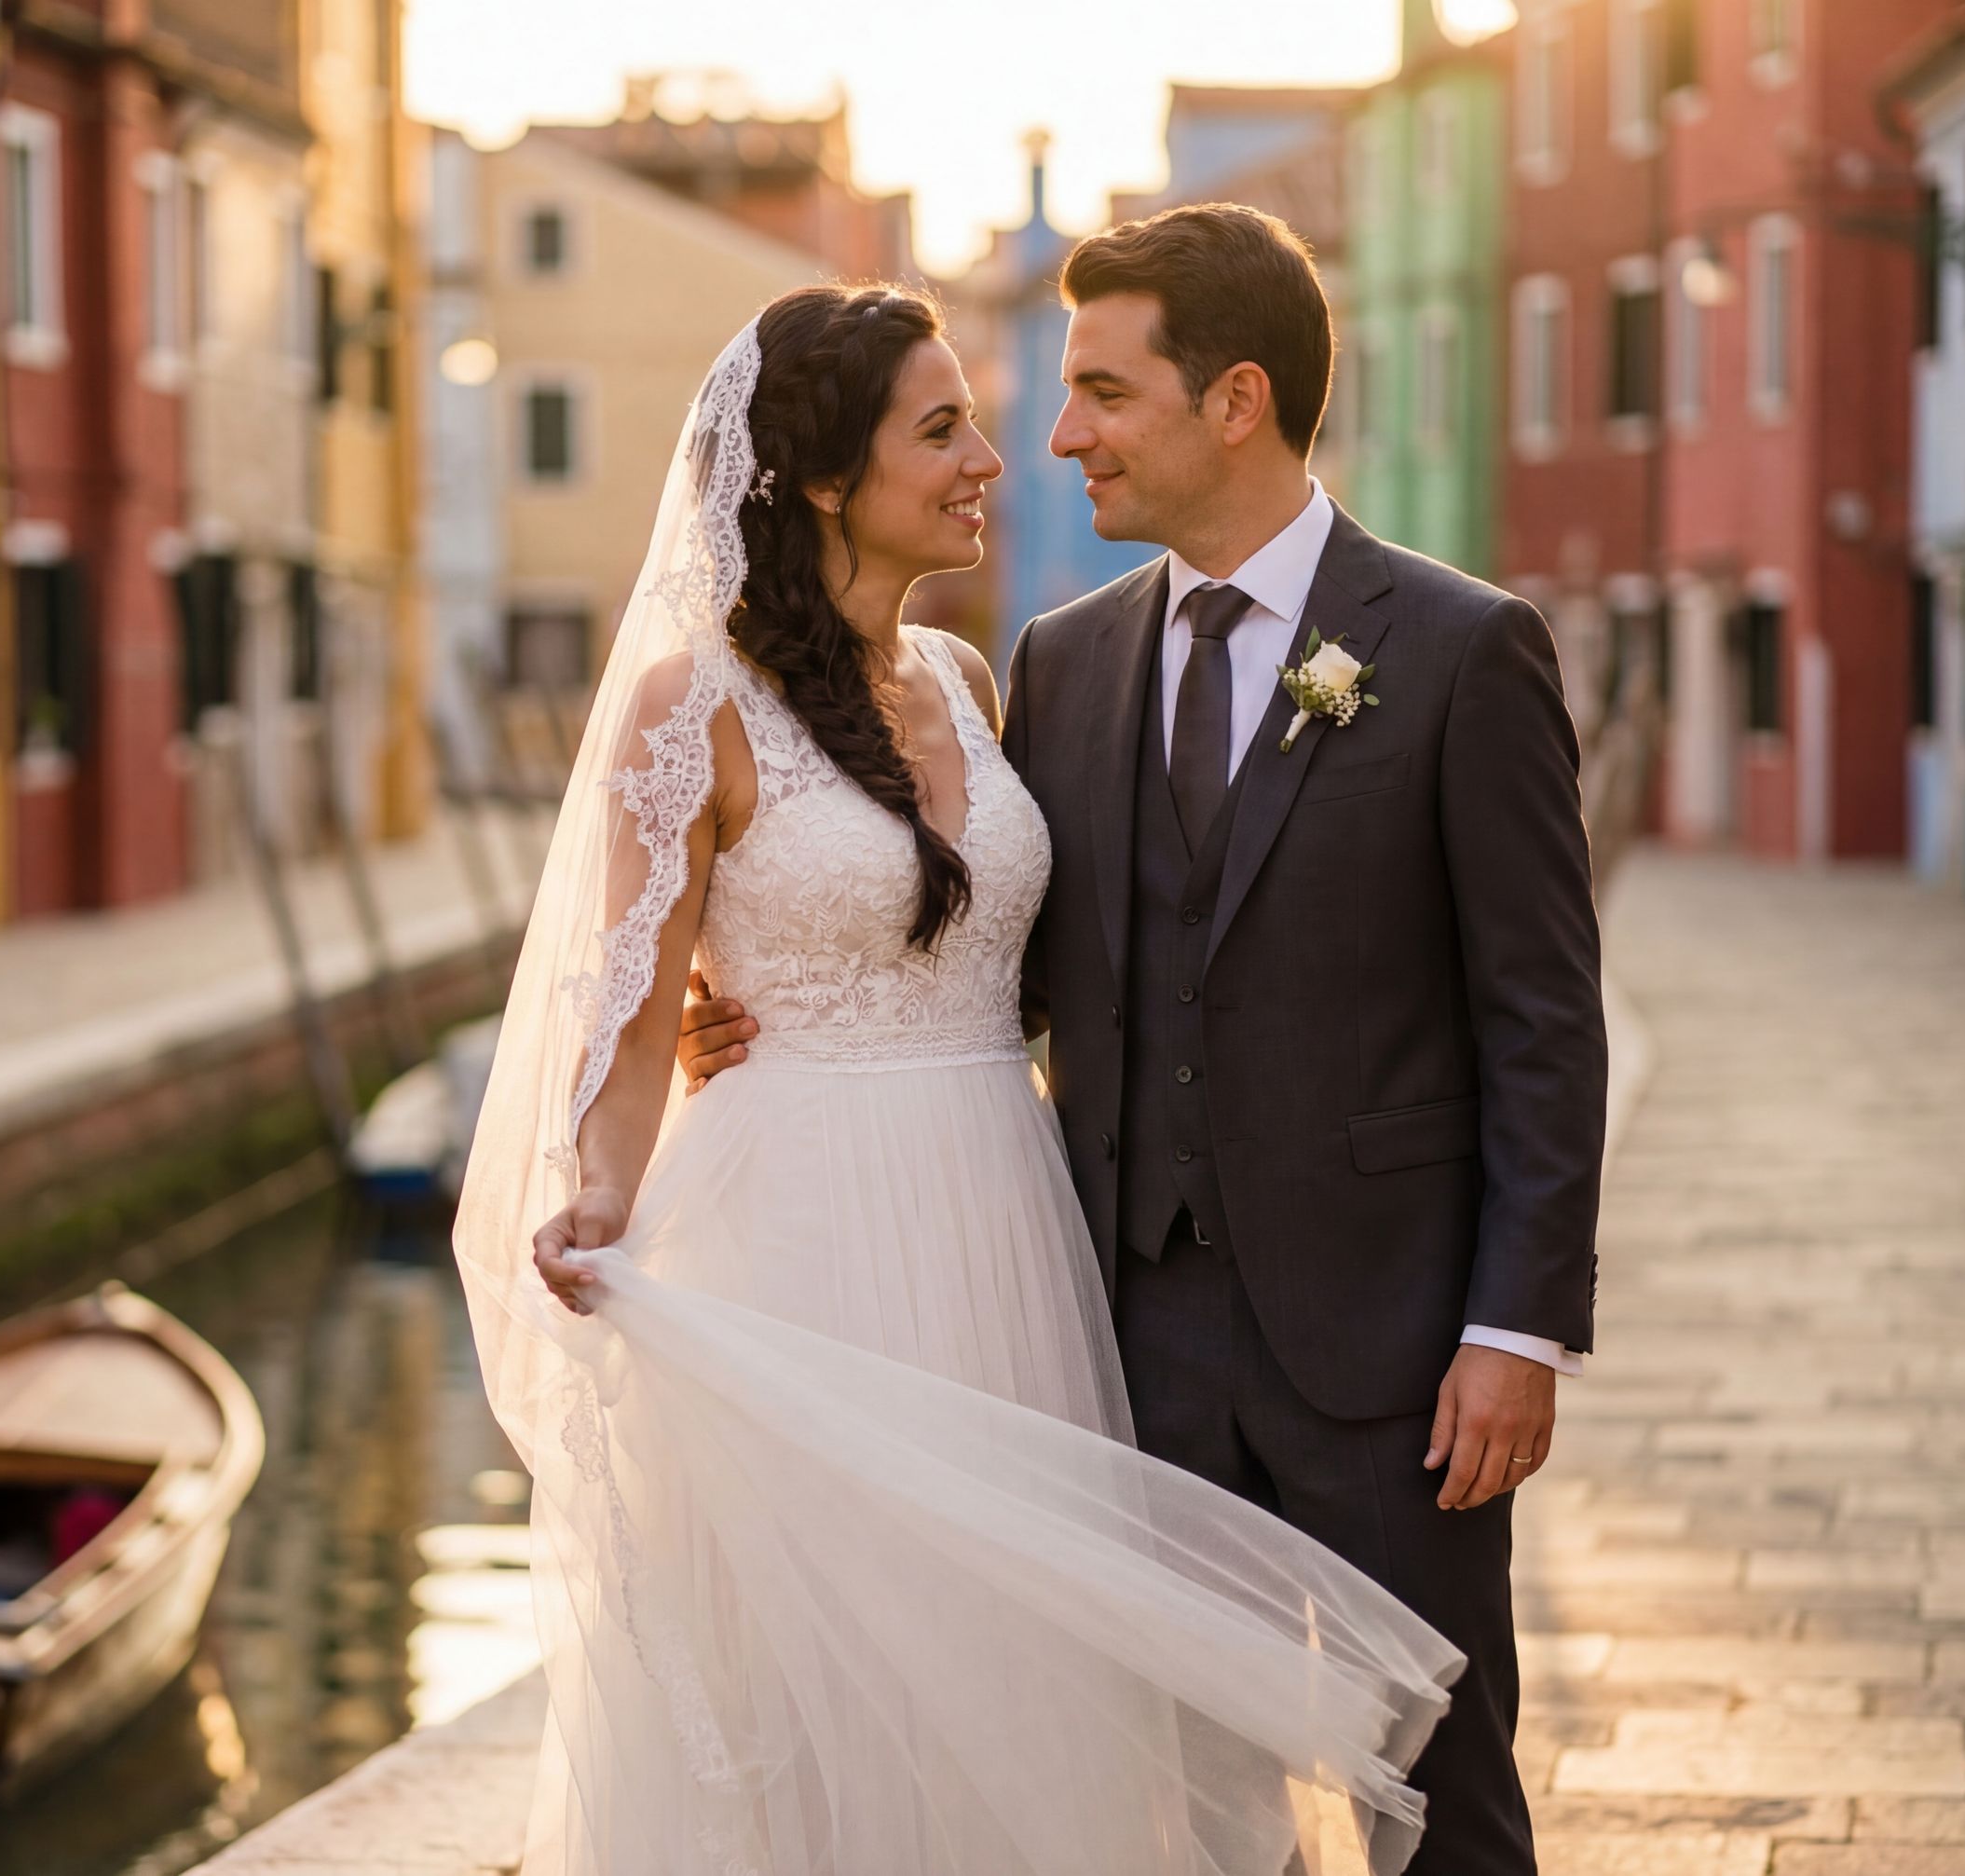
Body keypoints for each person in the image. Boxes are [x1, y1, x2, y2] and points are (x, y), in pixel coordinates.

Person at [455, 276, 1468, 1876]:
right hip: (805, 1242)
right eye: (943, 429)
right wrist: (597, 1185)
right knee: (832, 1694)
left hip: (1008, 1221)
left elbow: (1060, 974)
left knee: (1028, 1689)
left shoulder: (980, 688)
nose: (997, 458)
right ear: (823, 480)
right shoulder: (687, 708)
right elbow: (630, 1017)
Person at [682, 209, 1608, 1872]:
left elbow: (1544, 1017)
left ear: (1235, 398)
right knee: (1183, 1804)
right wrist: (758, 986)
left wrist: (1518, 1331)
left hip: (1399, 1360)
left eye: (1103, 391)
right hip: (1121, 1354)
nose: (1057, 434)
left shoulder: (1466, 651)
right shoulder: (1062, 659)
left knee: (1446, 1796)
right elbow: (1006, 960)